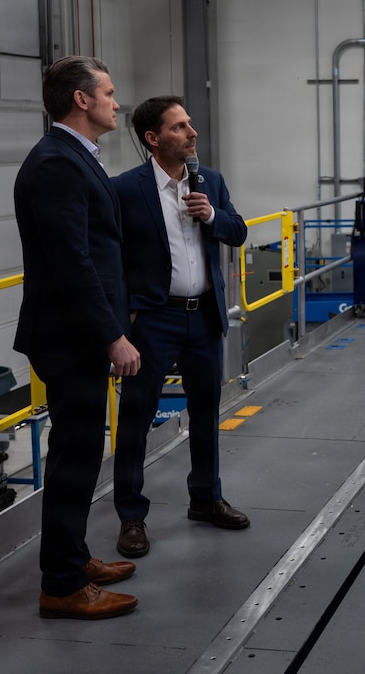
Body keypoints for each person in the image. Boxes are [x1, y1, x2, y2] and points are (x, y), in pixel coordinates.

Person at [13, 55, 141, 620]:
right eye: (108, 93)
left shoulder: (75, 157)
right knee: (73, 457)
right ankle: (62, 586)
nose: (117, 102)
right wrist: (111, 334)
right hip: (70, 337)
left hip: (78, 332)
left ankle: (74, 556)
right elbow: (72, 262)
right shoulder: (55, 164)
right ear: (82, 100)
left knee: (83, 453)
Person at [112, 95, 249, 559]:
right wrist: (125, 316)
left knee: (207, 411)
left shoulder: (210, 180)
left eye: (189, 124)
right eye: (179, 127)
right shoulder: (125, 190)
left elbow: (238, 230)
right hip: (153, 319)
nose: (192, 133)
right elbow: (111, 258)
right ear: (153, 139)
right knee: (136, 417)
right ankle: (131, 516)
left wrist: (212, 215)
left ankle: (206, 498)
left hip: (204, 314)